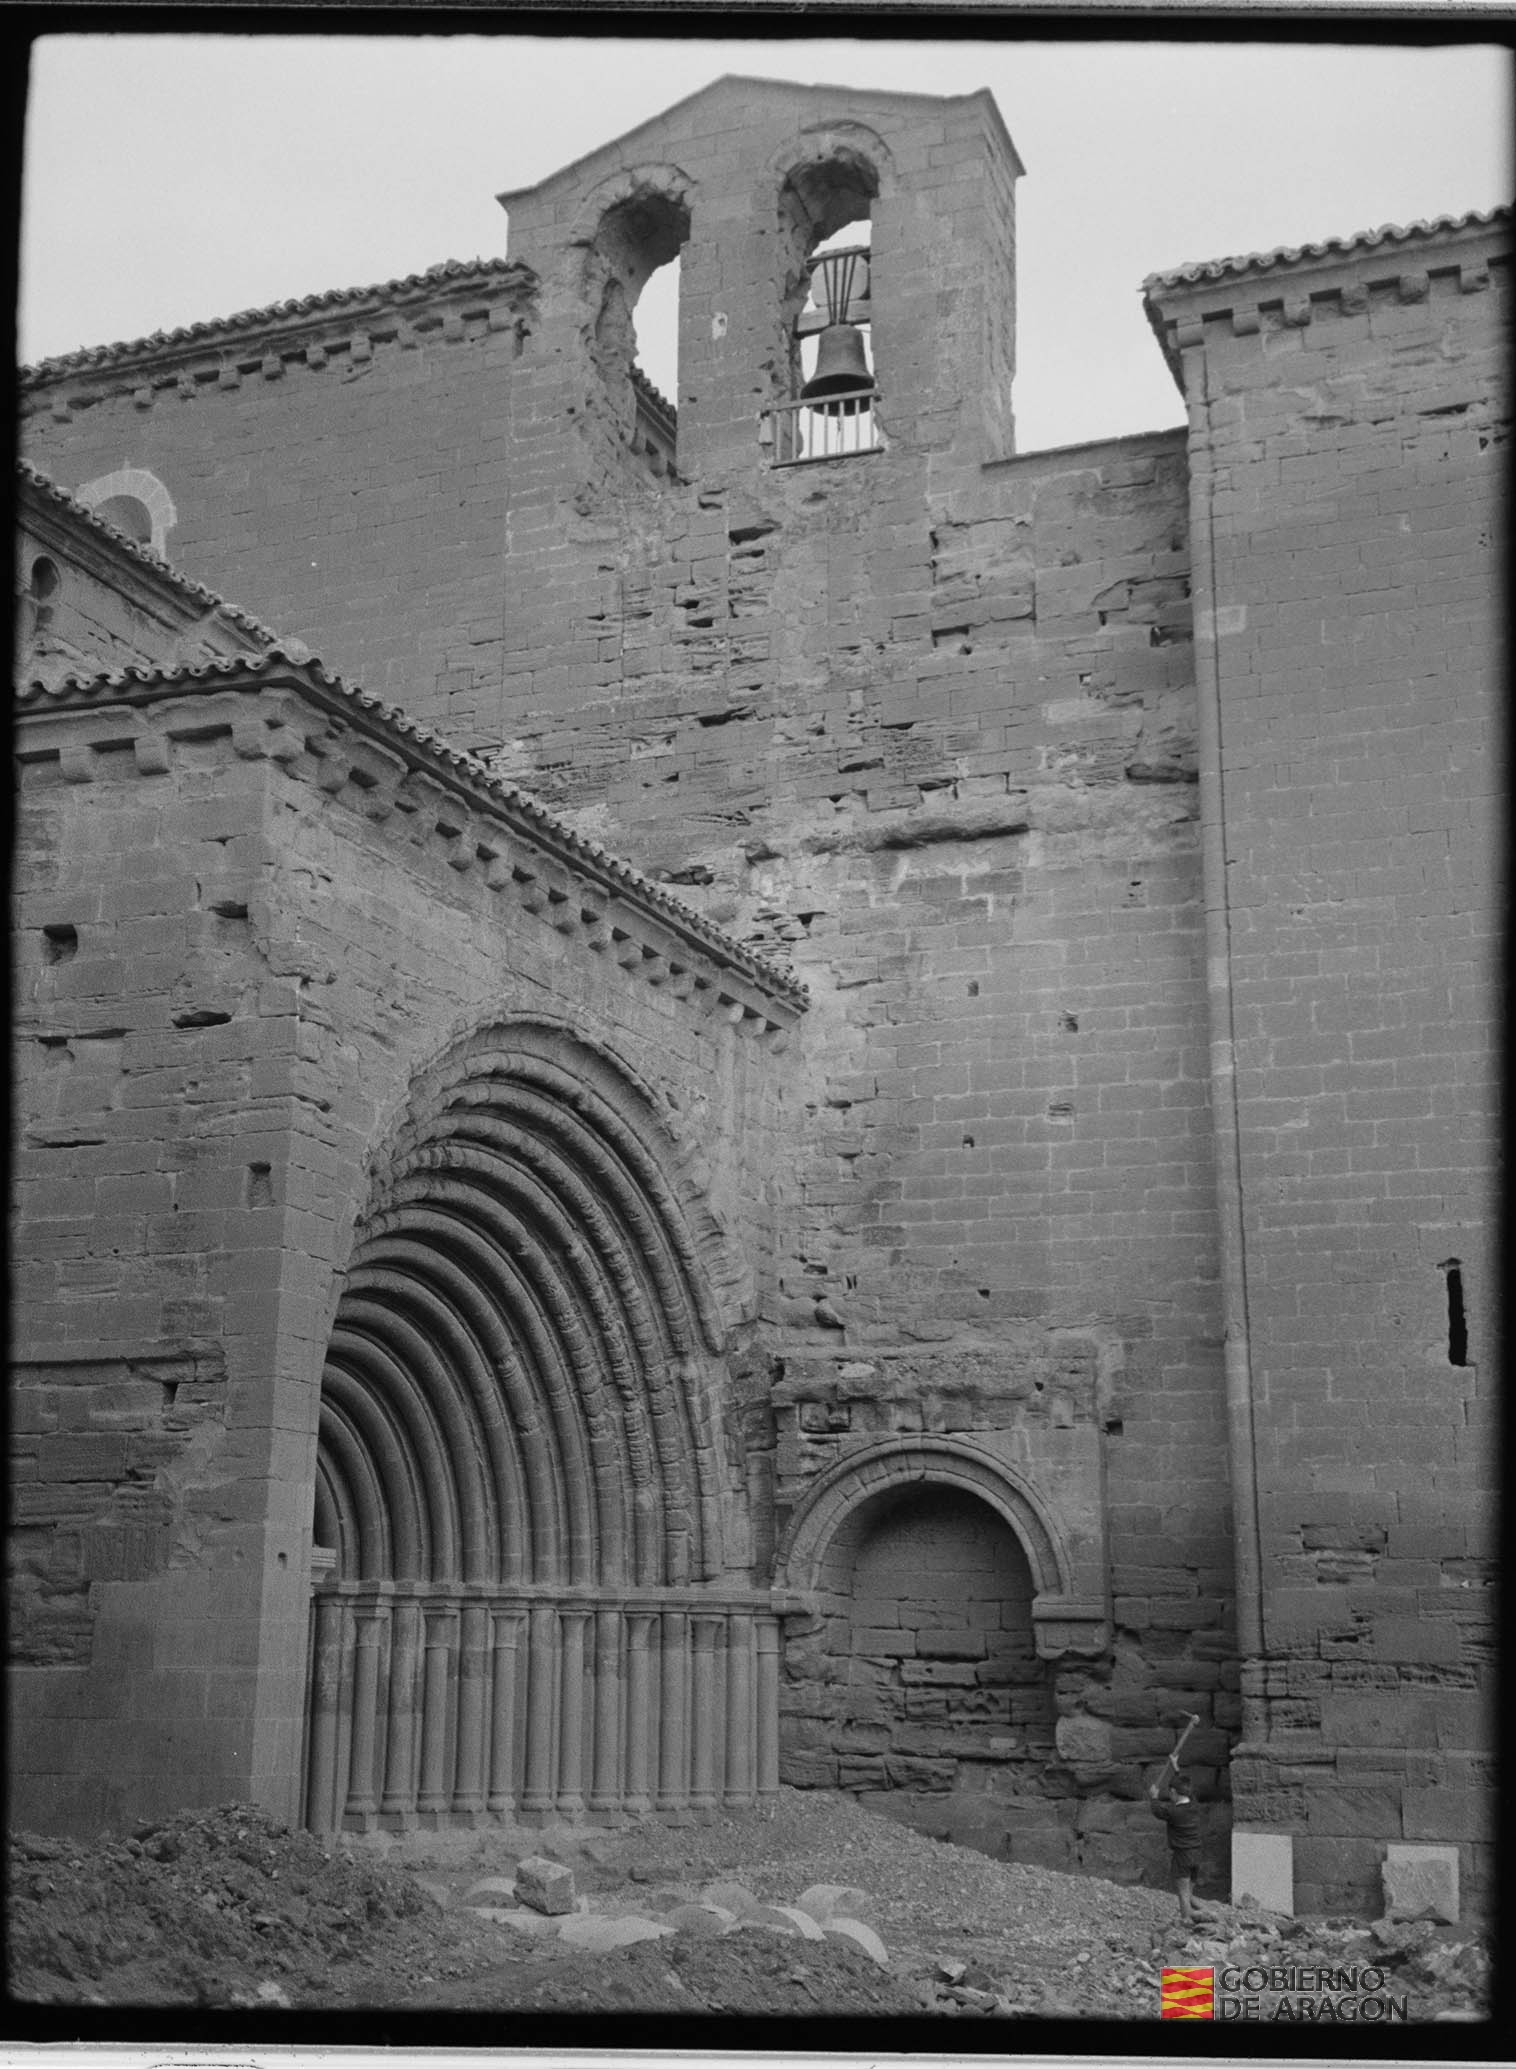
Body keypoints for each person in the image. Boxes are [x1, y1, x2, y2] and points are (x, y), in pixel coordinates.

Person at [1148, 1762, 1204, 1925]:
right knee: (1189, 1891)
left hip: (1183, 1855)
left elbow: (1158, 1810)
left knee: (1183, 1893)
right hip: (1197, 1854)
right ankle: (1202, 1914)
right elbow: (1185, 1788)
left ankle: (1187, 1921)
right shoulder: (1194, 1805)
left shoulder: (1174, 1812)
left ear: (1173, 1792)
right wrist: (1176, 1768)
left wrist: (1153, 1797)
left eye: (1170, 1792)